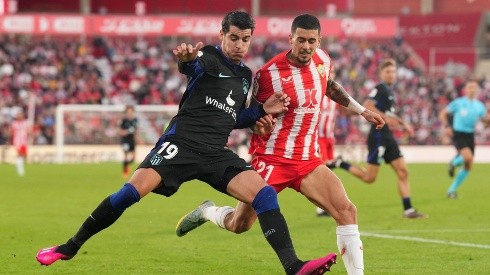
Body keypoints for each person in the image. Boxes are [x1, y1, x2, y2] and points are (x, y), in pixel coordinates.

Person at [36, 11, 337, 274]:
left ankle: (293, 267)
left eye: (245, 39)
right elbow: (193, 65)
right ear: (222, 35)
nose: (239, 45)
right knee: (129, 193)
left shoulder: (245, 76)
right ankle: (70, 246)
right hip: (180, 146)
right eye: (233, 38)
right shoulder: (208, 57)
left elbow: (232, 117)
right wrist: (186, 60)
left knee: (265, 195)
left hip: (215, 152)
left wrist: (261, 111)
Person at [175, 14, 385, 275]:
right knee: (240, 224)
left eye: (311, 41)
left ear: (319, 41)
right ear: (290, 39)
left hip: (307, 159)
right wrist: (259, 124)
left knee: (346, 210)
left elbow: (329, 86)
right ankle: (208, 212)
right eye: (301, 40)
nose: (306, 47)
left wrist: (362, 110)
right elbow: (246, 113)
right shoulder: (267, 74)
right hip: (271, 158)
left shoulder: (323, 60)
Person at [328, 58, 427, 219]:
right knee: (369, 178)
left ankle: (408, 210)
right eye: (388, 71)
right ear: (381, 73)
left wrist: (403, 123)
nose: (391, 74)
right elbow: (368, 104)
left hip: (388, 136)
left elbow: (388, 114)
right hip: (378, 136)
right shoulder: (380, 89)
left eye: (393, 71)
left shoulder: (389, 91)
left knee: (403, 172)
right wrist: (386, 119)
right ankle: (340, 163)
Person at [439, 79, 489, 199]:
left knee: (469, 165)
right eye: (470, 87)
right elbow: (443, 113)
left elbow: (485, 121)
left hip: (470, 135)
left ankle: (451, 190)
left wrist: (488, 121)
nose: (472, 89)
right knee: (468, 157)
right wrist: (446, 126)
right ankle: (453, 163)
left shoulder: (480, 106)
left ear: (477, 90)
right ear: (465, 90)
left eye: (474, 87)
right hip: (459, 133)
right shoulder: (459, 102)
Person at [119, 105, 138, 178]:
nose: (129, 113)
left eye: (131, 111)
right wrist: (126, 132)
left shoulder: (135, 120)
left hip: (132, 139)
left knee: (133, 158)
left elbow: (136, 130)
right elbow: (119, 131)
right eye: (128, 112)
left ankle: (126, 165)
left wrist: (137, 137)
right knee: (126, 155)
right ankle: (125, 171)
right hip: (125, 140)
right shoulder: (124, 120)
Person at [10, 110, 30, 176]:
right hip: (17, 141)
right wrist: (10, 140)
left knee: (24, 156)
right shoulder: (14, 123)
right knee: (20, 154)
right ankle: (20, 170)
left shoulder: (26, 123)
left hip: (24, 141)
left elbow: (29, 131)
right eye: (18, 115)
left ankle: (18, 165)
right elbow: (11, 132)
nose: (19, 116)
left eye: (20, 115)